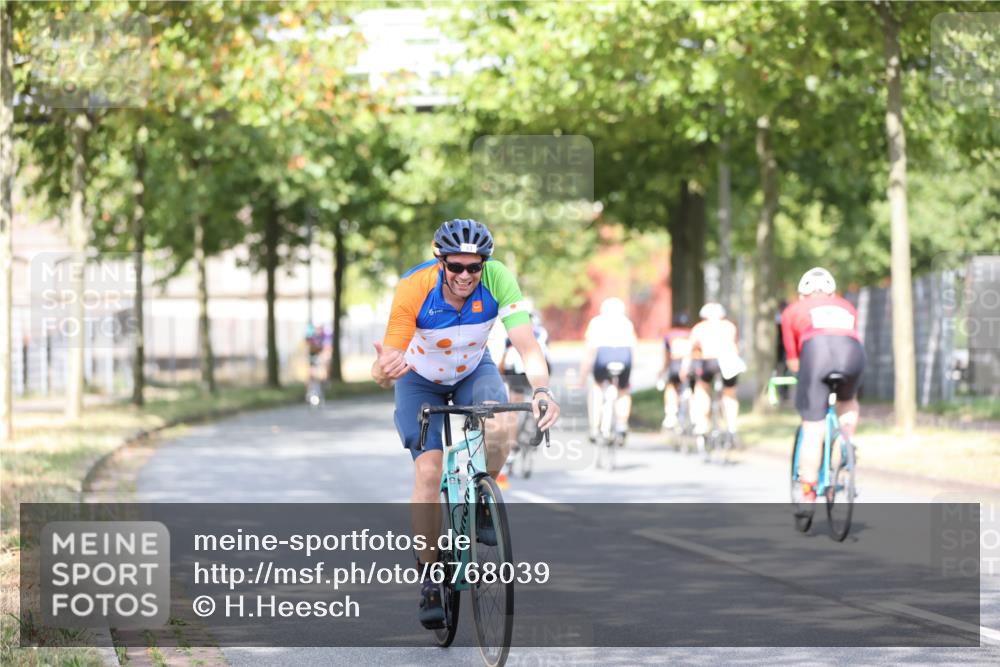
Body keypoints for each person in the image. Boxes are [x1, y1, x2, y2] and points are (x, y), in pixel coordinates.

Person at [370, 219, 560, 629]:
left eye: (474, 267)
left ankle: (482, 504)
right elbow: (386, 364)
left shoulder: (498, 279)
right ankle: (429, 577)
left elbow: (527, 346)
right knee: (428, 470)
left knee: (502, 425)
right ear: (440, 262)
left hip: (474, 370)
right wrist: (383, 372)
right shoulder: (414, 287)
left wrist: (542, 390)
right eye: (455, 266)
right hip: (419, 378)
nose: (465, 276)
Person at [780, 267, 865, 503]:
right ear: (832, 294)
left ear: (802, 295)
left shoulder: (792, 310)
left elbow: (793, 360)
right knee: (847, 401)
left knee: (813, 427)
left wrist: (805, 380)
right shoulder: (847, 306)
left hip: (816, 353)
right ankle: (847, 442)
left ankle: (808, 493)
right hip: (852, 353)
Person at [580, 297, 637, 446]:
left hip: (603, 354)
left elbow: (590, 349)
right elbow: (633, 347)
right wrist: (631, 368)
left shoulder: (596, 322)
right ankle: (621, 425)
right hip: (624, 355)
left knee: (597, 387)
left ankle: (594, 426)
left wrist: (583, 373)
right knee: (623, 390)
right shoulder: (626, 323)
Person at [681, 302, 742, 437]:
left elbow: (689, 350)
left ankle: (702, 423)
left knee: (702, 388)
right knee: (730, 393)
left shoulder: (700, 328)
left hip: (710, 361)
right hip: (730, 361)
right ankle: (732, 426)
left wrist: (684, 368)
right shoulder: (729, 326)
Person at [659, 312, 693, 430]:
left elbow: (667, 355)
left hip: (675, 363)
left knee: (671, 386)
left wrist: (663, 369)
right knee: (695, 388)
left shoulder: (670, 335)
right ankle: (693, 416)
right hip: (690, 364)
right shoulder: (691, 334)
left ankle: (670, 414)